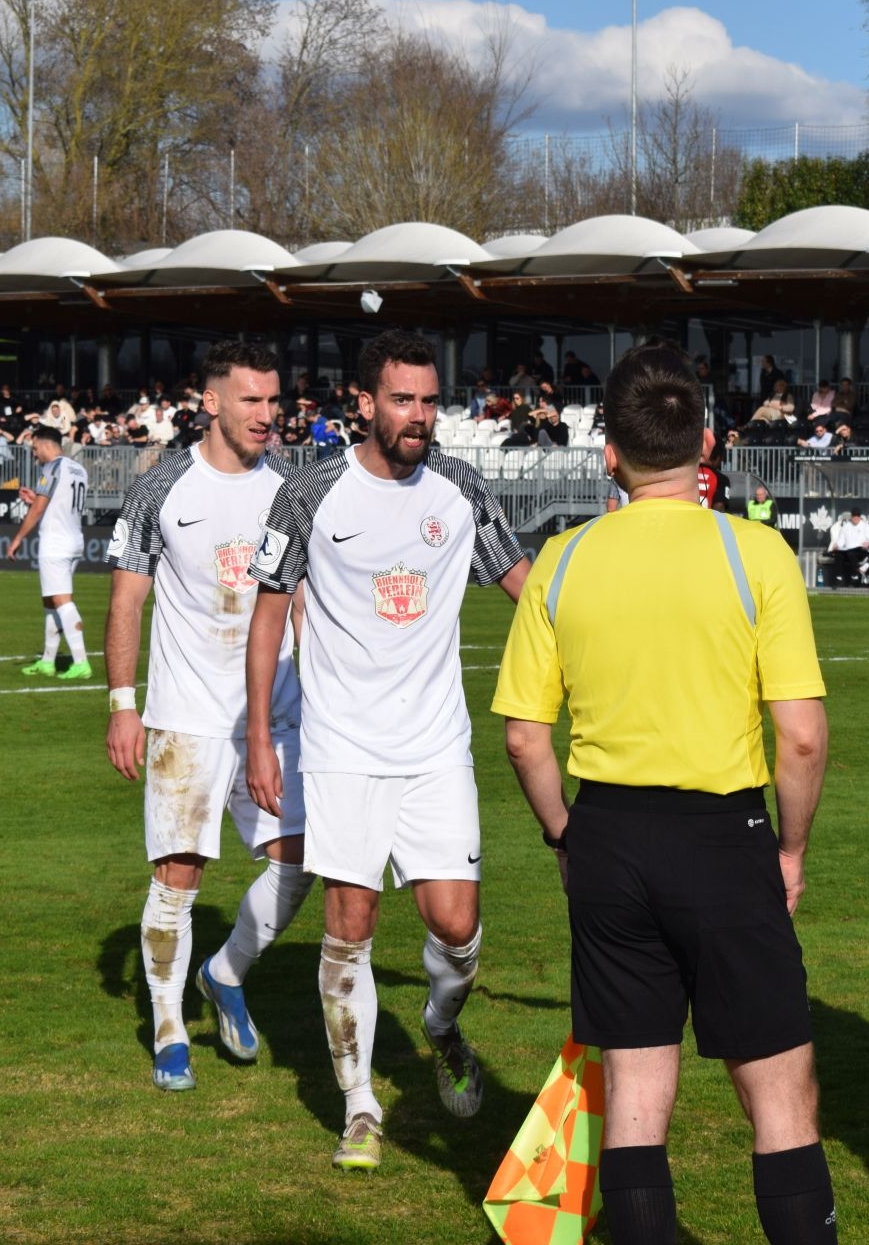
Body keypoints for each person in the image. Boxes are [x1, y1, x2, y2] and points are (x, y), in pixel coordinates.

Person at [493, 339, 836, 1245]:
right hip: (724, 837)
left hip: (607, 832)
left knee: (638, 1097)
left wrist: (568, 837)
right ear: (710, 444)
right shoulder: (754, 554)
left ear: (608, 452)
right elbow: (799, 735)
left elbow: (527, 737)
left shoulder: (560, 561)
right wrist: (791, 850)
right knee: (780, 1096)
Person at [243, 329, 531, 1171]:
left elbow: (527, 588)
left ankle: (441, 1027)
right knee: (351, 924)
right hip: (340, 750)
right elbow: (269, 616)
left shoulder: (459, 488)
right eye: (403, 400)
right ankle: (360, 1105)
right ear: (364, 404)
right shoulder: (307, 494)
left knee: (457, 923)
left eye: (431, 400)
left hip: (437, 747)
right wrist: (262, 736)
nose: (420, 416)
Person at [102, 341, 316, 1093]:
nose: (268, 414)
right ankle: (167, 1028)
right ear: (213, 400)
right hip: (186, 714)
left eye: (274, 399)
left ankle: (224, 974)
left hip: (277, 710)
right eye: (251, 400)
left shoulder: (293, 485)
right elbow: (127, 599)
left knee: (299, 861)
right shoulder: (161, 486)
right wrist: (123, 705)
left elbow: (301, 603)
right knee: (180, 876)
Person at [8, 426, 94, 679]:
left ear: (45, 445)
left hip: (56, 542)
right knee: (50, 601)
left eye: (35, 448)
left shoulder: (52, 468)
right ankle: (47, 661)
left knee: (61, 601)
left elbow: (38, 511)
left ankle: (81, 662)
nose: (35, 454)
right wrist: (35, 497)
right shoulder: (78, 468)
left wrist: (17, 538)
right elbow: (59, 503)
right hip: (74, 538)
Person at [825, 510, 869, 587]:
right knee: (838, 554)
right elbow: (841, 541)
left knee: (852, 553)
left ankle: (855, 577)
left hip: (863, 550)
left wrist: (868, 543)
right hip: (848, 550)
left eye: (857, 516)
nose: (856, 518)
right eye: (854, 516)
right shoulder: (846, 527)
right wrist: (837, 545)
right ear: (851, 517)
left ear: (860, 517)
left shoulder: (866, 526)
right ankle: (839, 579)